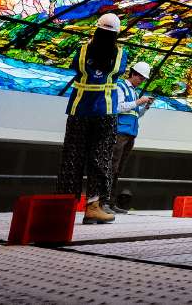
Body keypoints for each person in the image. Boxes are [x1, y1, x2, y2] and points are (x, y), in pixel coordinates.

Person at [56, 13, 128, 225]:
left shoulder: (82, 50)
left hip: (79, 110)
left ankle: (64, 208)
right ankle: (94, 207)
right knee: (101, 158)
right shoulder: (120, 54)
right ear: (116, 33)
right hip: (105, 111)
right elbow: (118, 71)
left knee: (72, 157)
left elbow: (75, 68)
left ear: (96, 29)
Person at [107, 60, 154, 214]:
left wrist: (145, 107)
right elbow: (118, 107)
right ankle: (104, 202)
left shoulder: (133, 91)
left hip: (130, 134)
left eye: (143, 79)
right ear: (133, 73)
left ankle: (111, 202)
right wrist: (139, 101)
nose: (141, 81)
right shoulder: (121, 86)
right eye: (140, 77)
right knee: (112, 167)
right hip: (120, 133)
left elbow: (135, 114)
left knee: (118, 169)